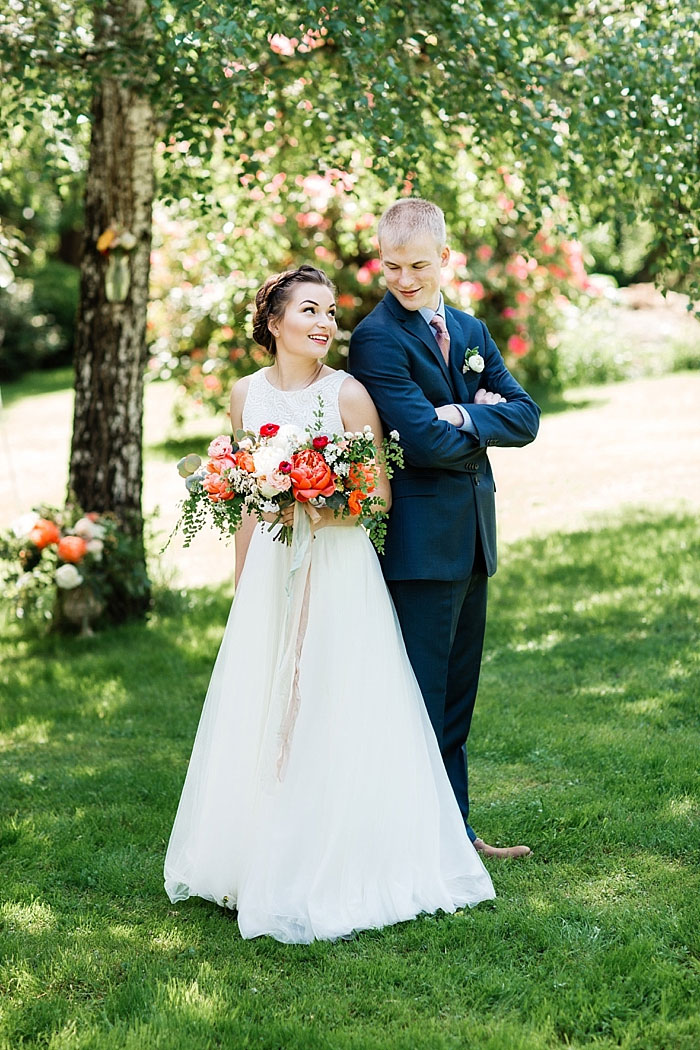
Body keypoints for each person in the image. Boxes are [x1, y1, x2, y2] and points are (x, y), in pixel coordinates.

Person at [164, 264, 495, 943]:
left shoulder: (346, 395)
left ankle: (340, 847)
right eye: (309, 311)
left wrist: (308, 496)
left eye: (331, 312)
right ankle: (256, 848)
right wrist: (242, 586)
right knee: (268, 701)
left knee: (329, 696)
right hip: (270, 573)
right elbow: (246, 507)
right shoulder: (244, 396)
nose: (325, 324)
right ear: (274, 321)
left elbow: (377, 498)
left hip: (339, 567)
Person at [348, 200, 540, 859]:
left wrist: (456, 413)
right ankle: (413, 844)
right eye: (392, 266)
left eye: (418, 266)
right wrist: (472, 422)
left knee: (456, 704)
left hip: (473, 539)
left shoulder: (469, 327)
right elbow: (424, 446)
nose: (404, 280)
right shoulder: (377, 337)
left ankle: (455, 835)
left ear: (446, 261)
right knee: (421, 700)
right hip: (421, 548)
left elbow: (527, 417)